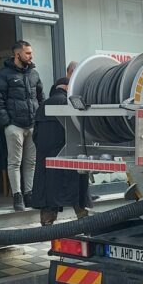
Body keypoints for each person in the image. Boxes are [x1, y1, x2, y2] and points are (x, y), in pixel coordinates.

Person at [31, 61, 90, 225]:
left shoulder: (42, 106)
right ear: (67, 87)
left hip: (46, 162)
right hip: (68, 159)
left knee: (49, 197)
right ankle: (85, 226)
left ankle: (47, 228)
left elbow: (35, 136)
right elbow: (80, 131)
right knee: (77, 195)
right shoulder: (70, 104)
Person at [0, 40, 42, 211]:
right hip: (14, 126)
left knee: (31, 162)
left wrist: (39, 119)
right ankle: (17, 196)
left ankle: (29, 194)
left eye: (31, 52)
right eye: (27, 53)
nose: (31, 56)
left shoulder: (34, 74)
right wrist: (7, 123)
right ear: (17, 54)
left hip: (32, 125)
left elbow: (40, 98)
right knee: (14, 162)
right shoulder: (3, 74)